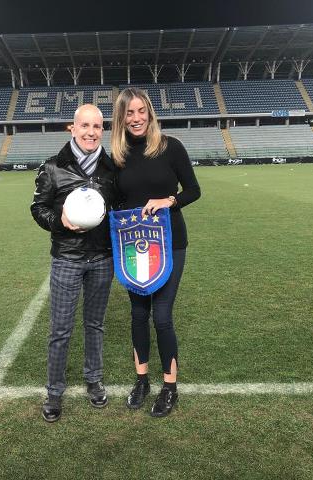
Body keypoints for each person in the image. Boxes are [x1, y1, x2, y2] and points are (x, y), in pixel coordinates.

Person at [111, 87, 200, 417]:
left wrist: (169, 200)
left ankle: (170, 387)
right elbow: (113, 201)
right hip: (133, 245)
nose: (136, 118)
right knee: (138, 315)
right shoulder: (117, 157)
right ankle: (141, 381)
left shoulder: (170, 147)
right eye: (129, 113)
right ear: (121, 119)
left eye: (141, 111)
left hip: (170, 243)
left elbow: (194, 190)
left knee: (162, 315)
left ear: (149, 112)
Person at [31, 104, 117, 423]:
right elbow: (38, 208)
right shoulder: (53, 166)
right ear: (73, 128)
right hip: (67, 257)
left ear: (102, 130)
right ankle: (54, 392)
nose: (91, 132)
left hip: (102, 257)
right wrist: (60, 221)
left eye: (97, 126)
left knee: (95, 324)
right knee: (60, 328)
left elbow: (119, 208)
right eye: (85, 126)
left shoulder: (112, 168)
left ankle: (93, 380)